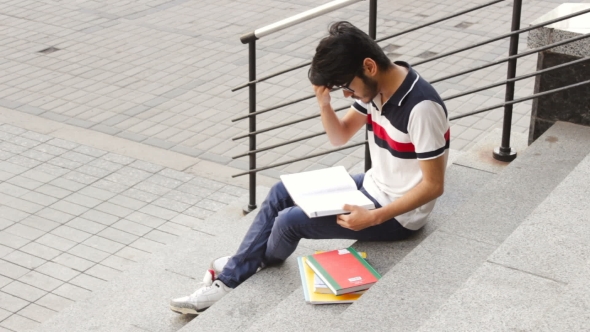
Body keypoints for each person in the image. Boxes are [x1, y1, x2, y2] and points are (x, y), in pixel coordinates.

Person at [169, 21, 450, 315]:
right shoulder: (375, 89)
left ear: (369, 66)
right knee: (281, 191)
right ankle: (244, 262)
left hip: (398, 216)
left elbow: (434, 186)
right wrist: (323, 102)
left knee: (289, 222)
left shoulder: (421, 108)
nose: (347, 95)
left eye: (346, 86)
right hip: (373, 186)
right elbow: (339, 135)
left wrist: (373, 217)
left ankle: (232, 276)